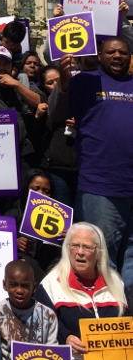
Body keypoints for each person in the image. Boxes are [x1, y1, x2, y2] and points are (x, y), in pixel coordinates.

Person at [53, 38, 133, 293]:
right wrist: (63, 82)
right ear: (99, 56)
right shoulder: (83, 82)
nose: (117, 56)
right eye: (111, 52)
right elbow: (55, 115)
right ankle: (108, 321)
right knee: (100, 260)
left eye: (123, 52)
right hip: (100, 186)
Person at [34, 222, 129, 359]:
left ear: (98, 253)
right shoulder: (50, 284)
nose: (80, 252)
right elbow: (39, 325)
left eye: (87, 247)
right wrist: (65, 337)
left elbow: (127, 321)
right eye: (75, 246)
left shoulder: (116, 282)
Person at [0, 261, 58, 360]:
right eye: (13, 285)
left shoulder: (48, 315)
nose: (19, 291)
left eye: (25, 286)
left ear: (34, 288)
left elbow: (53, 349)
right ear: (4, 285)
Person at [4, 169, 60, 281]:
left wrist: (67, 238)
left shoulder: (62, 219)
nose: (41, 193)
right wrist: (14, 244)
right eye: (35, 189)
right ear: (26, 190)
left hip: (52, 268)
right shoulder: (12, 215)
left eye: (46, 190)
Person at [39, 65, 77, 207]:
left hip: (81, 167)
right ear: (43, 86)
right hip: (56, 168)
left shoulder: (79, 100)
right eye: (50, 82)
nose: (55, 84)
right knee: (62, 213)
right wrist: (38, 117)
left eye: (58, 79)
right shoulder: (43, 105)